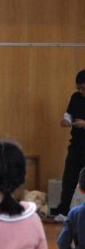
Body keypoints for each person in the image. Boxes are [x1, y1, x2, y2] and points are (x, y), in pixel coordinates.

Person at [56, 70, 85, 221]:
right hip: (76, 145)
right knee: (69, 178)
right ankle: (63, 212)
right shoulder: (76, 97)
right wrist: (66, 120)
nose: (81, 91)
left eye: (83, 88)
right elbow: (69, 114)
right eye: (78, 88)